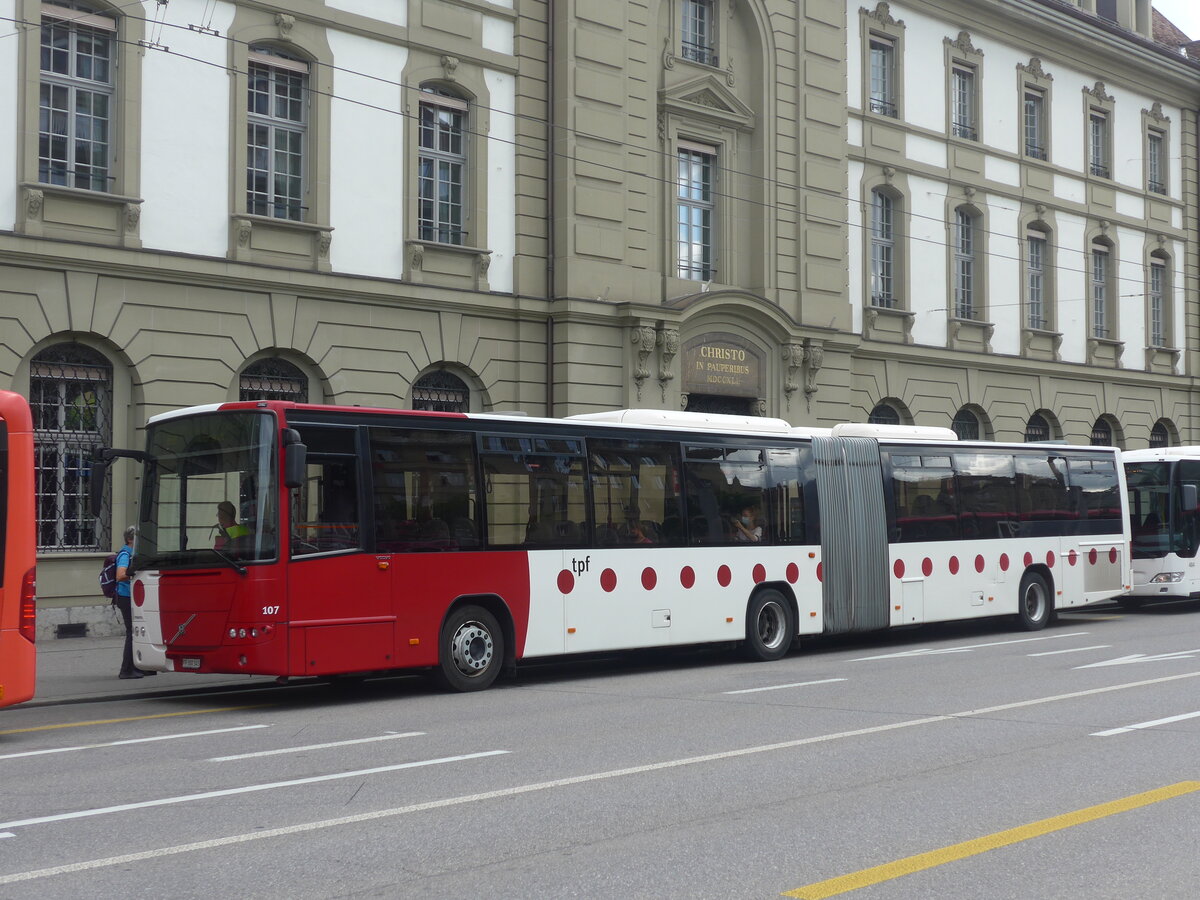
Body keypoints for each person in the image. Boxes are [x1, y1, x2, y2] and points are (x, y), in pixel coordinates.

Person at [115, 525, 154, 679]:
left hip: (133, 597)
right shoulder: (126, 553)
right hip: (125, 597)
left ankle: (142, 666)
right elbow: (120, 575)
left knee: (140, 631)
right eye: (138, 538)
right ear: (130, 539)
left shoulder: (134, 553)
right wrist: (133, 571)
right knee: (132, 632)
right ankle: (126, 670)